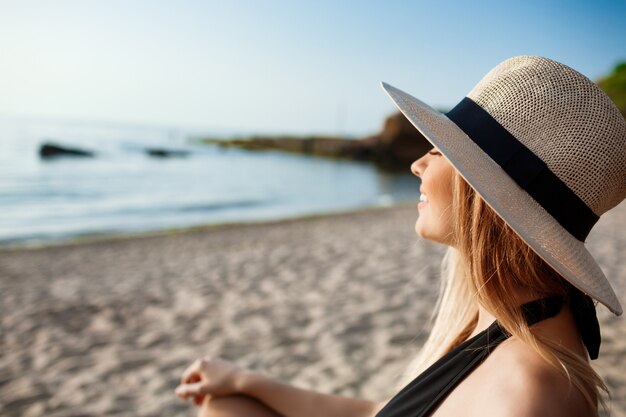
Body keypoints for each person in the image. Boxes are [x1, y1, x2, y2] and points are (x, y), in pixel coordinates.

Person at [174, 56, 626, 417]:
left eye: (438, 149)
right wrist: (248, 382)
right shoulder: (516, 318)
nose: (417, 164)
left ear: (484, 192)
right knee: (228, 404)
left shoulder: (530, 393)